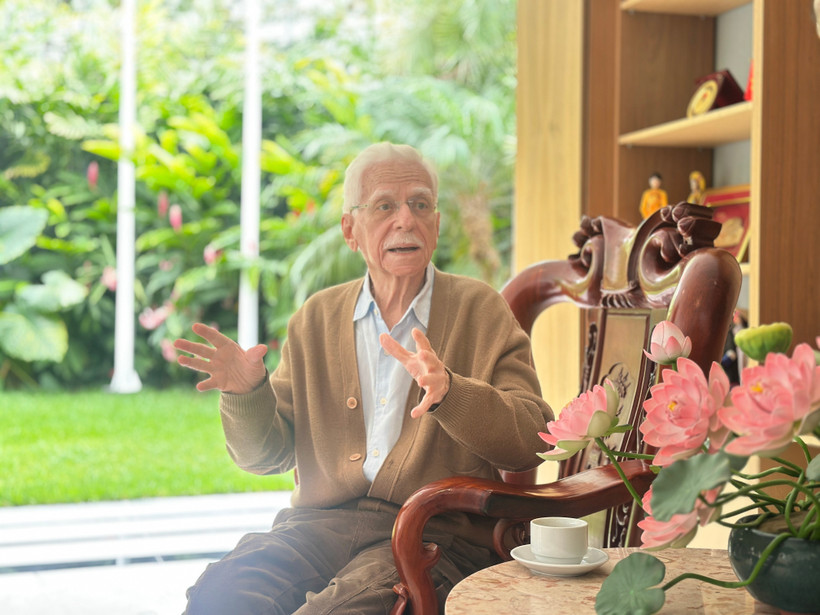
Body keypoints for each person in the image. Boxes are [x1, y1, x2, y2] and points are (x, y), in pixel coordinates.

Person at [173, 142, 553, 615]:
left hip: (435, 533)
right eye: (384, 207)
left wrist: (452, 394)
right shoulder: (316, 318)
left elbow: (532, 438)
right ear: (350, 230)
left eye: (420, 204)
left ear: (435, 224)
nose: (405, 220)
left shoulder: (480, 309)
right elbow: (266, 455)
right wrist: (246, 395)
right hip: (316, 527)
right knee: (220, 598)